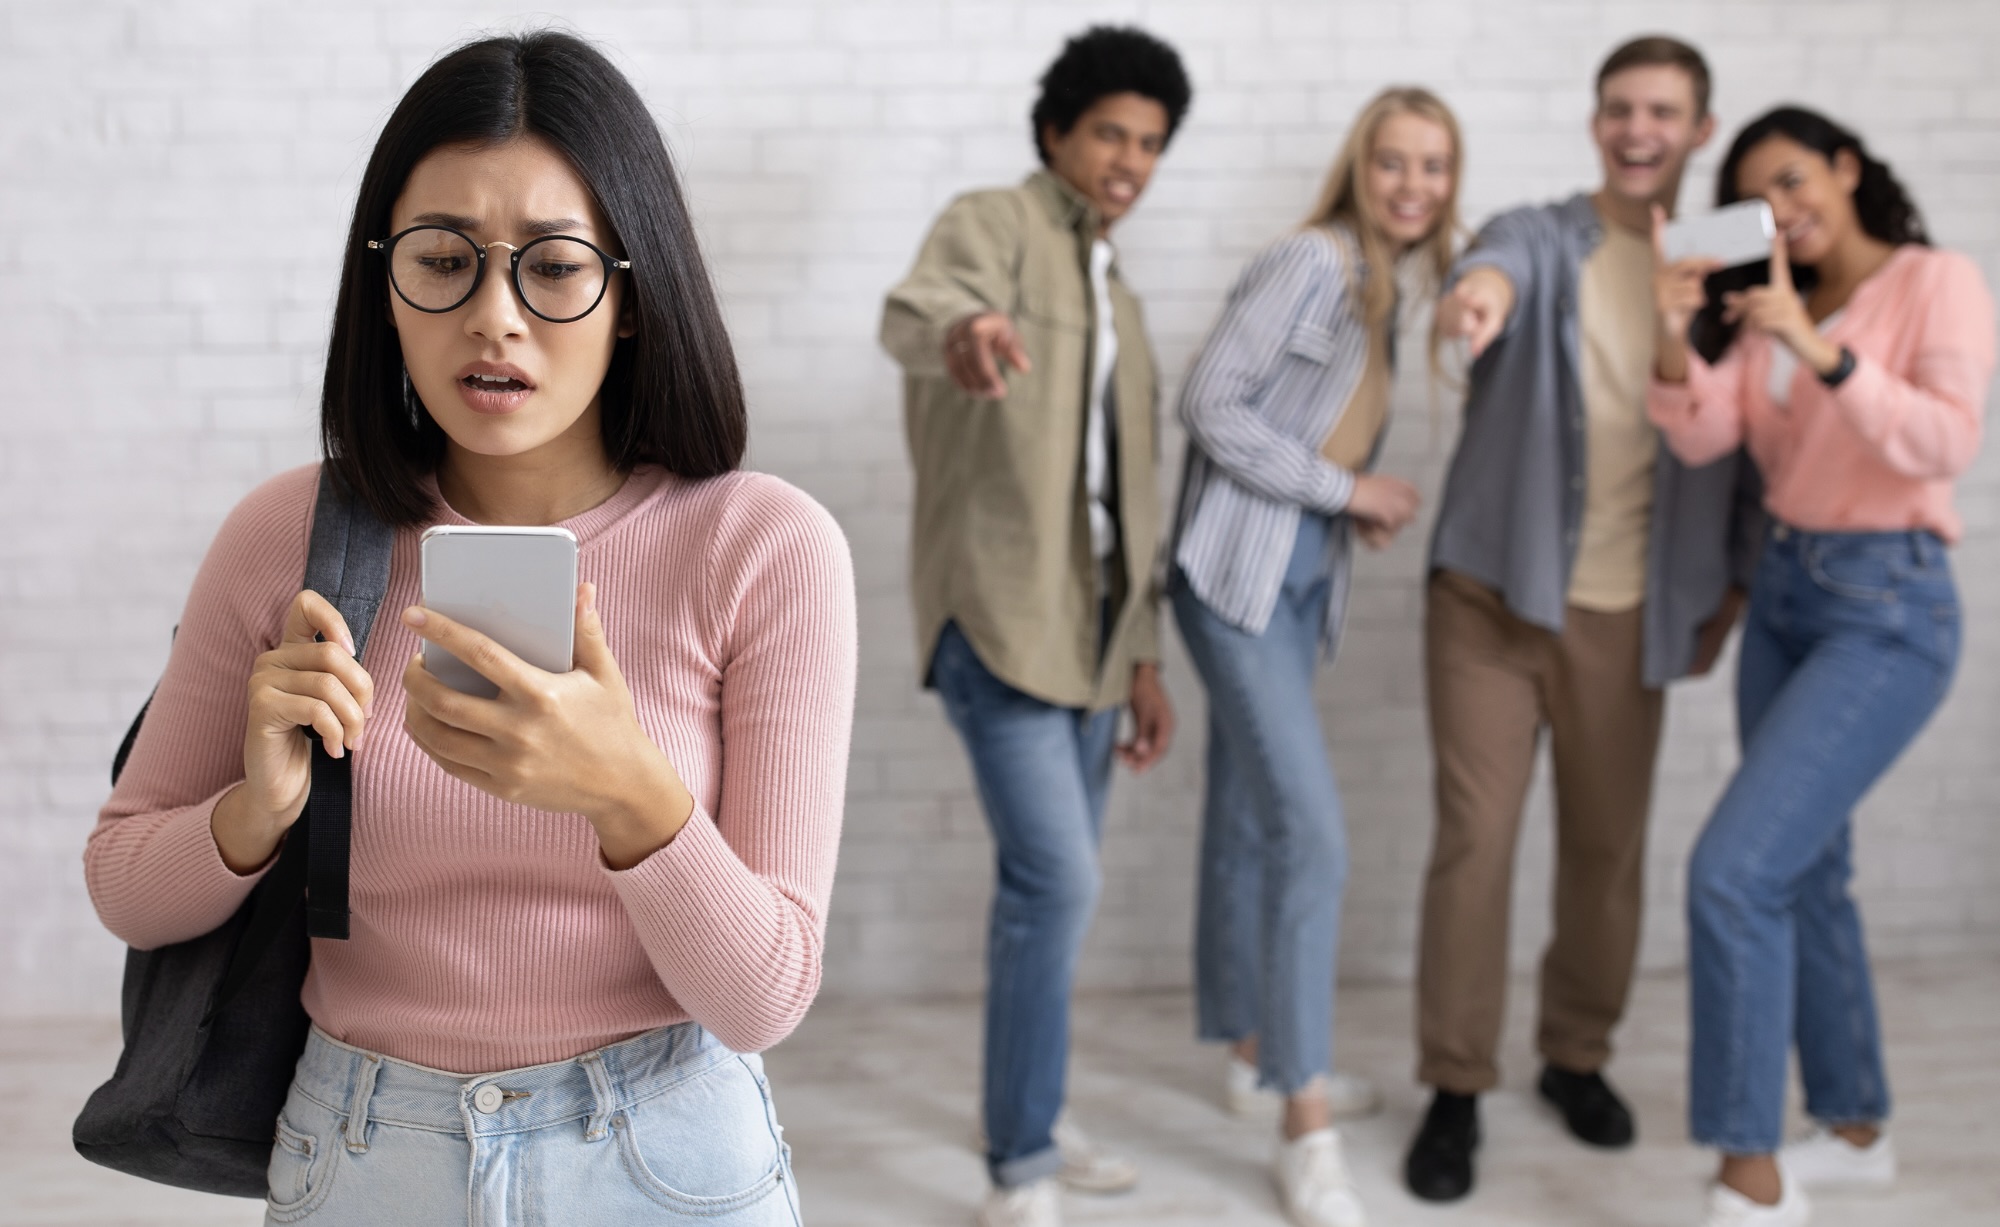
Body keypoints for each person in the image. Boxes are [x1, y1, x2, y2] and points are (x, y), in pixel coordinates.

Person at [84, 32, 855, 1227]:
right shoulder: (283, 536)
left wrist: (629, 799)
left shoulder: (763, 548)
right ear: (383, 282)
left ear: (632, 295)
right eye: (443, 259)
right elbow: (126, 886)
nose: (493, 318)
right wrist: (257, 810)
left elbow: (762, 1002)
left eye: (552, 268)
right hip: (360, 1156)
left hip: (666, 1159)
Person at [1407, 35, 1745, 1202]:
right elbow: (1489, 265)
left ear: (1699, 128)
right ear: (1594, 120)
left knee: (1604, 854)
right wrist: (1473, 301)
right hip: (1490, 595)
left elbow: (1755, 439)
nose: (1635, 128)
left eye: (1660, 110)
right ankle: (1453, 1085)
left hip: (1629, 613)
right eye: (1617, 107)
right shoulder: (1544, 234)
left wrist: (1732, 587)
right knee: (1475, 842)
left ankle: (1574, 1056)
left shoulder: (1727, 272)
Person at [1650, 106, 1995, 1227]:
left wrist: (1815, 344)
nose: (1784, 212)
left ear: (1846, 170)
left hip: (1884, 607)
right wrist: (1673, 333)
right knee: (1800, 874)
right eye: (1759, 199)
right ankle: (1851, 1127)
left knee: (1732, 873)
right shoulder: (1767, 308)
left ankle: (1748, 1176)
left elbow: (1943, 442)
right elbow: (1702, 433)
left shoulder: (1930, 281)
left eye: (1794, 181)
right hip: (1790, 595)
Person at [878, 25, 1188, 1227]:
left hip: (1100, 638)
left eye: (1150, 142)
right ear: (1056, 131)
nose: (1128, 158)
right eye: (1109, 130)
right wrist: (962, 335)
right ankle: (1020, 1164)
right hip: (999, 617)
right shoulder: (994, 226)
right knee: (1056, 883)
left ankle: (1030, 1109)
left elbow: (1130, 491)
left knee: (1046, 887)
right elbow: (920, 307)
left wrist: (1146, 651)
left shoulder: (1121, 295)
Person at [1168, 86, 1458, 1227]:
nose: (1410, 185)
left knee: (1249, 820)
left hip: (1292, 582)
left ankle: (1254, 1051)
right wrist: (1348, 489)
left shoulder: (1384, 291)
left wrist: (1348, 509)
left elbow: (1301, 430)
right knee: (1312, 836)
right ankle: (1304, 1121)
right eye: (1392, 162)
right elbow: (1208, 402)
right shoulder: (1313, 260)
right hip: (1231, 581)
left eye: (1432, 168)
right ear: (1359, 167)